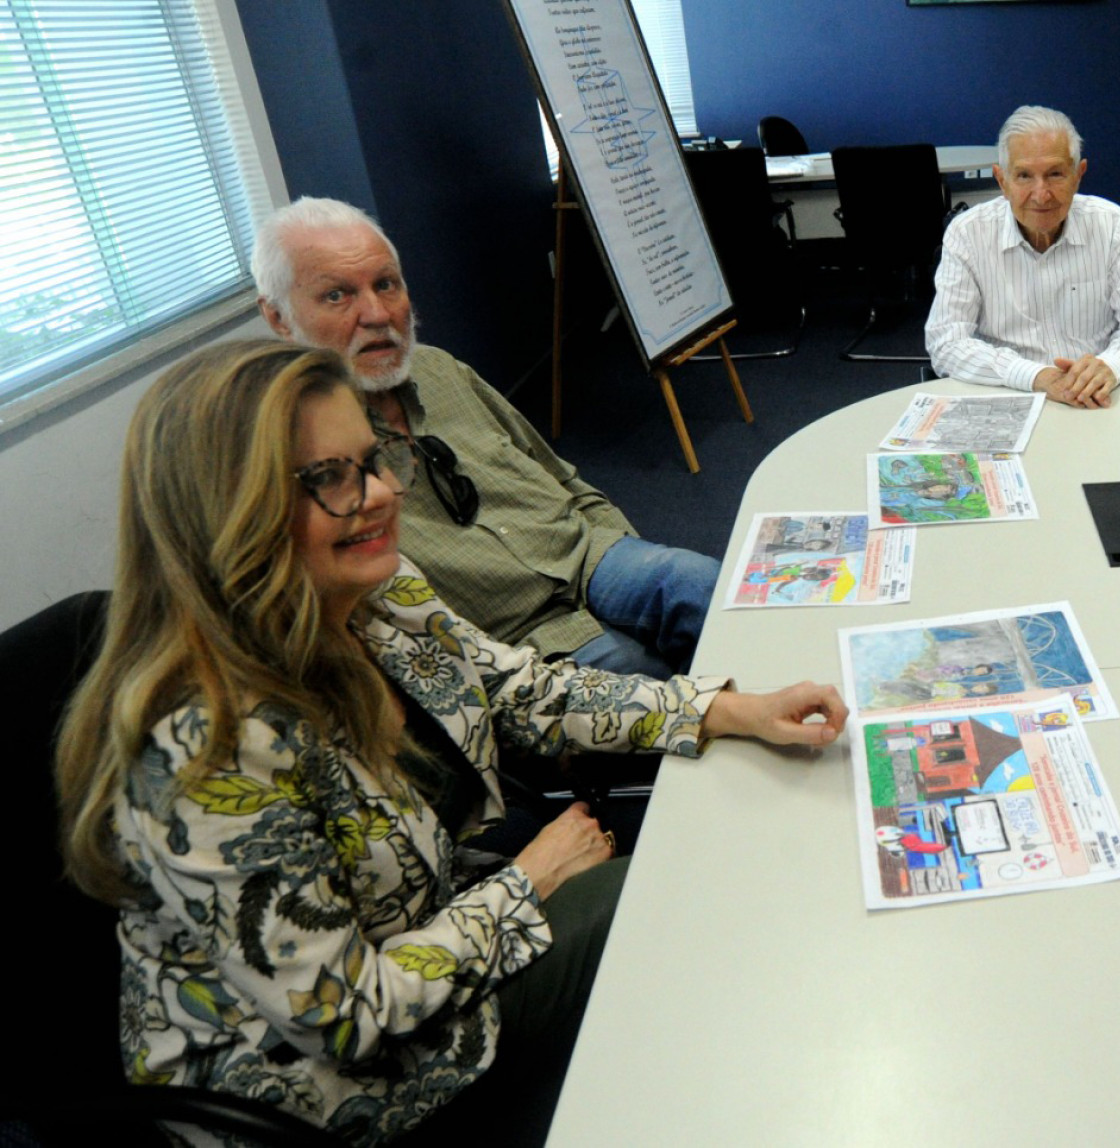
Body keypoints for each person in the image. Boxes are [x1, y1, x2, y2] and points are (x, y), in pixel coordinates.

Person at [54, 340, 847, 1145]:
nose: (384, 492)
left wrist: (721, 711)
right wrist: (527, 882)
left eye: (372, 459)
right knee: (656, 908)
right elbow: (347, 1020)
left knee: (678, 891)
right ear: (229, 506)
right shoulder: (206, 748)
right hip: (311, 1090)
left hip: (429, 930)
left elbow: (520, 688)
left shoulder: (376, 592)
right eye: (330, 476)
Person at [251, 197, 715, 680]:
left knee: (700, 584)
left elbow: (561, 476)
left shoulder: (440, 368)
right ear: (278, 318)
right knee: (648, 678)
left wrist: (623, 548)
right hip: (513, 635)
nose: (375, 314)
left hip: (584, 556)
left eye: (386, 284)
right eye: (336, 296)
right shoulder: (295, 448)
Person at [924, 105, 1120, 409]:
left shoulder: (1111, 224)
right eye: (1024, 176)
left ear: (1078, 175)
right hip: (1007, 395)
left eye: (1055, 174)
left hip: (1096, 397)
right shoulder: (968, 233)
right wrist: (1037, 376)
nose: (1041, 194)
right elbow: (946, 342)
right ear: (1002, 181)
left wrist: (1110, 366)